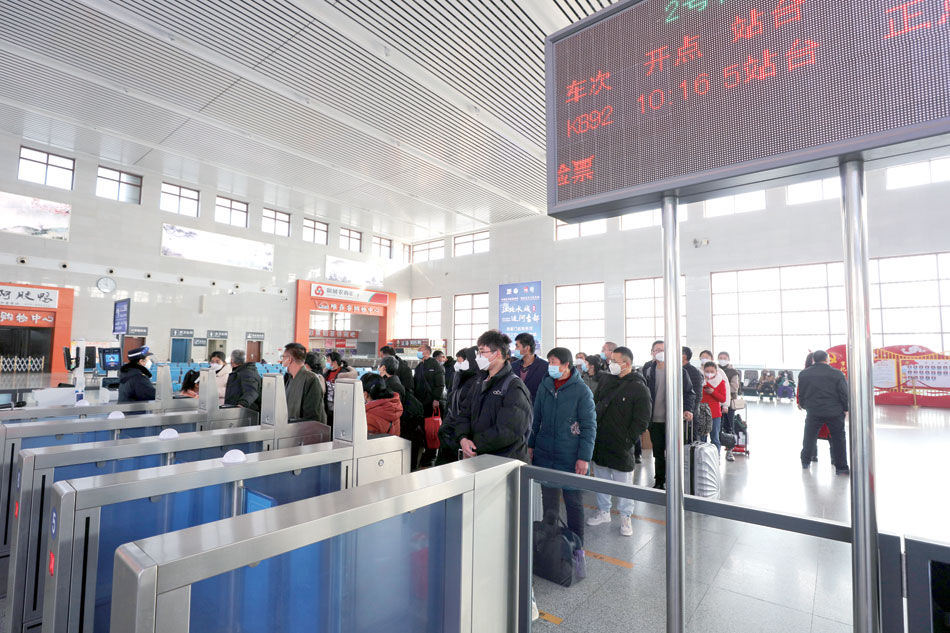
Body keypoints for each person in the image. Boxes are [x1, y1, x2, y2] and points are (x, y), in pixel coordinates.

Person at [529, 346, 596, 574]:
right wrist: (531, 445)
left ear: (567, 365)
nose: (550, 366)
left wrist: (584, 458)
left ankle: (577, 553)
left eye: (554, 362)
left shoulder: (581, 390)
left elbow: (589, 427)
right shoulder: (545, 385)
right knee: (549, 504)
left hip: (570, 455)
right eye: (549, 361)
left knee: (573, 503)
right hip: (545, 453)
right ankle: (550, 549)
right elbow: (536, 418)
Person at [587, 346, 652, 537]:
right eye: (611, 361)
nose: (611, 364)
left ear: (627, 363)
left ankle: (625, 516)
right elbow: (595, 403)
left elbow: (642, 419)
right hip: (601, 440)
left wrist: (628, 440)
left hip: (622, 444)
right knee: (601, 479)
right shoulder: (607, 380)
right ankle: (604, 511)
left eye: (615, 361)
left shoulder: (639, 387)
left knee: (624, 483)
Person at [455, 330, 532, 461]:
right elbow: (464, 413)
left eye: (482, 352)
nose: (478, 357)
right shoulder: (479, 382)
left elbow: (509, 430)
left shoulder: (514, 387)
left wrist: (475, 445)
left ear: (497, 354)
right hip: (479, 457)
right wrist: (463, 438)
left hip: (504, 460)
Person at [642, 341, 695, 489]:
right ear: (652, 353)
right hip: (654, 420)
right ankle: (659, 481)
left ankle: (675, 481)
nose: (660, 352)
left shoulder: (679, 371)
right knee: (658, 453)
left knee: (674, 453)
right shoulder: (647, 370)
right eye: (657, 350)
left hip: (673, 420)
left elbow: (689, 393)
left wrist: (688, 409)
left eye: (663, 350)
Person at [798, 350, 850, 474]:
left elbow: (802, 392)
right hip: (834, 411)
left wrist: (805, 405)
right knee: (838, 438)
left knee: (809, 436)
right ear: (827, 359)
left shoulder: (804, 374)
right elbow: (843, 393)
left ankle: (805, 461)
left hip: (813, 411)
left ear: (813, 360)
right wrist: (845, 408)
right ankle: (841, 467)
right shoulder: (837, 374)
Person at [435, 347, 480, 465]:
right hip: (450, 427)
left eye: (461, 361)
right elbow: (451, 401)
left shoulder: (477, 381)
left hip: (462, 432)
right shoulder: (457, 377)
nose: (457, 364)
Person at [281, 343, 326, 423]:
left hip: (301, 429)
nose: (282, 360)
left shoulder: (311, 379)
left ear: (289, 359)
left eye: (283, 357)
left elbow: (312, 417)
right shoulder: (289, 378)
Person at [717, 351, 741, 462]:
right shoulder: (715, 369)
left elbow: (734, 387)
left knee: (729, 425)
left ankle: (730, 450)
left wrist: (720, 389)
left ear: (728, 359)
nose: (722, 359)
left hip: (729, 402)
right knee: (717, 427)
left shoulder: (733, 372)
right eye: (720, 357)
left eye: (724, 358)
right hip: (717, 402)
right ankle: (716, 451)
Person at [510, 333, 548, 403]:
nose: (515, 349)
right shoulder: (513, 366)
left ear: (527, 348)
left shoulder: (545, 367)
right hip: (515, 407)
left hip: (535, 407)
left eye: (517, 346)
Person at [700, 361, 727, 453]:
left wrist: (713, 392)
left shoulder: (721, 382)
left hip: (715, 414)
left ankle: (716, 456)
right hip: (702, 412)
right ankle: (701, 456)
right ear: (703, 371)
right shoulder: (700, 382)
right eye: (707, 371)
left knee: (715, 438)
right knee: (702, 438)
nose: (709, 373)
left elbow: (723, 399)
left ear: (716, 371)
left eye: (712, 371)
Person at [325, 352, 358, 426]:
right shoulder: (327, 372)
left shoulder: (343, 373)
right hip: (327, 406)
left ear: (334, 362)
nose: (326, 362)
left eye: (328, 360)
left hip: (338, 407)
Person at [413, 344, 445, 418]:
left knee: (430, 420)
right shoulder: (419, 366)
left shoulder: (435, 364)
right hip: (420, 400)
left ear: (427, 352)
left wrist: (436, 399)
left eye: (420, 350)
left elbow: (440, 383)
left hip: (431, 400)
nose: (418, 352)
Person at [681, 347, 704, 439]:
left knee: (689, 439)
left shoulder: (694, 372)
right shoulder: (673, 369)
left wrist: (690, 410)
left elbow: (697, 394)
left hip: (689, 412)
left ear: (684, 356)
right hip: (677, 411)